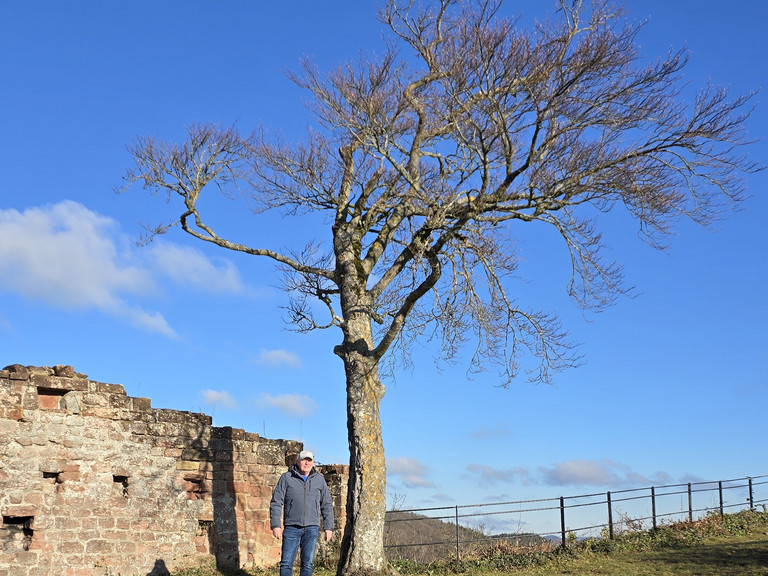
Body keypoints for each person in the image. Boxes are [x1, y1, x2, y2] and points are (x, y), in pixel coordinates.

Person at [270, 450, 335, 576]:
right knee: (286, 563)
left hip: (312, 528)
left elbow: (326, 504)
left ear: (313, 463)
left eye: (309, 460)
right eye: (304, 460)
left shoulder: (319, 480)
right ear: (298, 461)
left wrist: (329, 527)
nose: (306, 463)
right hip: (291, 527)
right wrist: (276, 525)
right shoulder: (286, 478)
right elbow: (276, 502)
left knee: (307, 564)